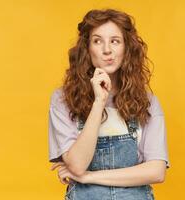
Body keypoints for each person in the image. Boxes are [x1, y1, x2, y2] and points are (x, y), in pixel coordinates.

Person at [48, 8, 170, 200]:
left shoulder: (147, 102)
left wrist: (88, 177)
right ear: (87, 49)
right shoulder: (63, 100)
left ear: (126, 48)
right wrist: (99, 102)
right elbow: (77, 164)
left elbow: (156, 171)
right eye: (97, 41)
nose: (107, 50)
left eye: (115, 41)